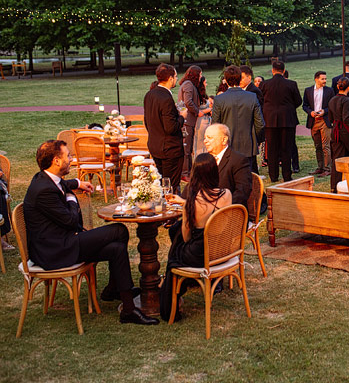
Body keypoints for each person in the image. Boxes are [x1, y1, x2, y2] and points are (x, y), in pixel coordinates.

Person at [23, 140, 157, 325]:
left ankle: (125, 305)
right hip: (55, 250)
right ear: (56, 161)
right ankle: (115, 289)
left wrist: (76, 183)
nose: (71, 159)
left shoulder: (43, 179)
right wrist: (71, 196)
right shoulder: (44, 191)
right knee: (118, 230)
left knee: (116, 248)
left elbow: (61, 184)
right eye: (68, 156)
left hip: (61, 242)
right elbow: (70, 221)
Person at [159, 153, 232, 322]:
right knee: (176, 235)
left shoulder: (193, 201)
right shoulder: (226, 194)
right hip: (222, 250)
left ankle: (169, 304)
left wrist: (186, 207)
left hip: (201, 254)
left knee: (175, 254)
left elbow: (186, 236)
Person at [211, 65, 265, 175]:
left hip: (227, 146)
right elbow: (260, 124)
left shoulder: (219, 99)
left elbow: (215, 126)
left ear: (225, 80)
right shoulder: (251, 97)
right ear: (240, 78)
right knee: (248, 181)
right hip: (247, 145)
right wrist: (256, 140)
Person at [144, 63, 186, 194]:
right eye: (175, 76)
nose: (176, 80)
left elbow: (147, 121)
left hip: (155, 145)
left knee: (161, 183)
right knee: (171, 185)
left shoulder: (149, 94)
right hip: (169, 149)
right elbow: (171, 127)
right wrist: (182, 117)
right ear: (170, 78)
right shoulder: (166, 98)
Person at [259, 61, 302, 183]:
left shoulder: (264, 84)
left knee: (272, 148)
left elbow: (260, 100)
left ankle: (273, 175)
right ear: (283, 71)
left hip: (270, 120)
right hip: (287, 119)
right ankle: (287, 175)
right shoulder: (291, 84)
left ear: (272, 71)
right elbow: (298, 101)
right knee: (286, 148)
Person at [200, 123, 252, 210]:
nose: (205, 141)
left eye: (210, 138)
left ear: (224, 140)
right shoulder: (204, 159)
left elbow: (242, 192)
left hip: (228, 214)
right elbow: (193, 185)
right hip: (203, 210)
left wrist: (220, 208)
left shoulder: (238, 160)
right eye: (205, 138)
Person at [303, 71, 335, 176]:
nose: (325, 81)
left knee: (326, 146)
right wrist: (310, 112)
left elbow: (332, 105)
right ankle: (320, 167)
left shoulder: (329, 91)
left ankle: (327, 169)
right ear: (316, 79)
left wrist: (324, 111)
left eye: (325, 79)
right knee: (317, 146)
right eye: (323, 79)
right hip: (313, 121)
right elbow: (305, 105)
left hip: (324, 121)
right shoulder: (308, 91)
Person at [177, 65, 202, 180]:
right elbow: (188, 101)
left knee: (189, 147)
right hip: (187, 121)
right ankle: (185, 173)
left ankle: (189, 171)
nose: (201, 77)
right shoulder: (188, 84)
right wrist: (198, 112)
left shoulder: (187, 84)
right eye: (200, 74)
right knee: (186, 148)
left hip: (188, 121)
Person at [191, 76, 213, 163]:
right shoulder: (197, 95)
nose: (206, 84)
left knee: (205, 144)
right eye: (205, 82)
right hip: (200, 123)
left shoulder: (203, 95)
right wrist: (209, 110)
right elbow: (196, 109)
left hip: (206, 121)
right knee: (199, 145)